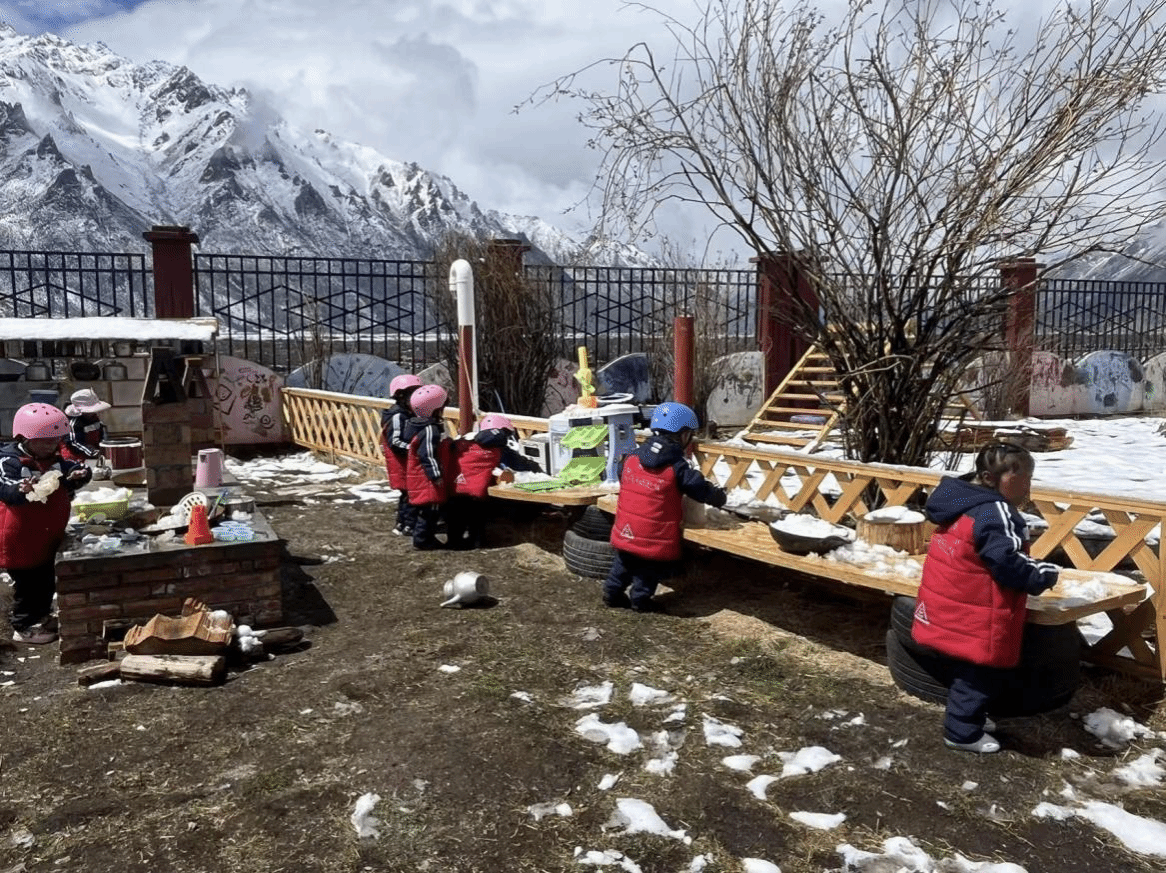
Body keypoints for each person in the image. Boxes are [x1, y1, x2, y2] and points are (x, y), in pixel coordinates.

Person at [911, 441, 1059, 754]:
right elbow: (1006, 562)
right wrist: (1042, 574)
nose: (1027, 487)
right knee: (979, 673)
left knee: (964, 667)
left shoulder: (959, 500)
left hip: (951, 602)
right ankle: (962, 733)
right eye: (1021, 479)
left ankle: (968, 716)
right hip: (980, 610)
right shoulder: (996, 511)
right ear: (991, 479)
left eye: (1030, 479)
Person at [604, 401, 727, 613]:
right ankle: (640, 600)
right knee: (648, 570)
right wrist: (719, 497)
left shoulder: (632, 458)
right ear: (683, 435)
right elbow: (699, 488)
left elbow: (622, 476)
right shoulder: (677, 467)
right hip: (654, 535)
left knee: (623, 562)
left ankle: (611, 593)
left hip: (626, 528)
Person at [1, 403, 93, 644]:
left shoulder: (54, 459)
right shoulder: (9, 461)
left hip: (46, 534)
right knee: (28, 586)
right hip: (20, 537)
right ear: (24, 437)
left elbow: (73, 469)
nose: (50, 446)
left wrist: (80, 475)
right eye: (43, 441)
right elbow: (6, 487)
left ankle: (40, 616)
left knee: (45, 581)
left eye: (55, 441)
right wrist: (21, 489)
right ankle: (23, 627)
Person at [446, 413, 545, 550]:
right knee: (477, 517)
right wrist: (539, 470)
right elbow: (520, 464)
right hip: (476, 492)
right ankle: (477, 541)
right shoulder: (498, 448)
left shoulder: (463, 442)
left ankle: (453, 542)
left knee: (455, 518)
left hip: (453, 488)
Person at [403, 384, 451, 551]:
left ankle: (423, 537)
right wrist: (436, 475)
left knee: (425, 510)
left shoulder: (415, 425)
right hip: (426, 478)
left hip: (417, 476)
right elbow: (427, 454)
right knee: (430, 510)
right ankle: (423, 539)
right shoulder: (430, 430)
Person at [380, 374, 422, 536]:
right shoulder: (398, 416)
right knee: (410, 494)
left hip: (407, 460)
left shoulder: (407, 413)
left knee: (408, 493)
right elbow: (395, 441)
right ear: (400, 396)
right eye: (412, 394)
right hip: (402, 462)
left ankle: (403, 523)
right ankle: (408, 524)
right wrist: (414, 449)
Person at [60, 388, 111, 467]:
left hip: (92, 455)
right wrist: (92, 452)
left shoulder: (94, 418)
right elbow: (74, 442)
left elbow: (101, 432)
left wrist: (104, 446)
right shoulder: (73, 423)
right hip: (75, 458)